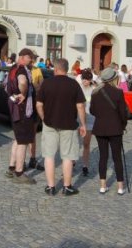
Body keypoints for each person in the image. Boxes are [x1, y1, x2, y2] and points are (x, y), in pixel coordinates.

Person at [36, 58, 86, 196]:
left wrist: (44, 118)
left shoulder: (47, 83)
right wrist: (83, 124)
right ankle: (67, 187)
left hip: (49, 124)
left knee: (49, 155)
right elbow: (80, 106)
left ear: (56, 69)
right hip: (69, 125)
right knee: (68, 156)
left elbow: (39, 105)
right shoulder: (73, 84)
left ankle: (51, 187)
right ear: (66, 69)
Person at [89, 67, 129, 195]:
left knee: (103, 157)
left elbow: (92, 111)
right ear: (113, 79)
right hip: (115, 128)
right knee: (117, 157)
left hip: (100, 127)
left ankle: (102, 186)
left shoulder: (95, 92)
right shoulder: (118, 92)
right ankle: (120, 187)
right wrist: (123, 125)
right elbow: (123, 113)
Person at [5, 48, 37, 185]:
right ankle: (19, 172)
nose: (32, 60)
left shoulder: (13, 68)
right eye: (30, 57)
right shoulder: (22, 70)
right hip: (22, 109)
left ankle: (11, 168)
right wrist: (23, 93)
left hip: (14, 107)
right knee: (23, 141)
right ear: (23, 57)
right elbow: (22, 82)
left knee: (18, 139)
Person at [77, 69, 96, 176]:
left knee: (86, 144)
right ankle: (72, 161)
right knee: (75, 143)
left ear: (90, 80)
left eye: (87, 79)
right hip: (77, 119)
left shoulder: (94, 90)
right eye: (84, 79)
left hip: (90, 119)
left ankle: (85, 165)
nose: (85, 81)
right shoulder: (78, 88)